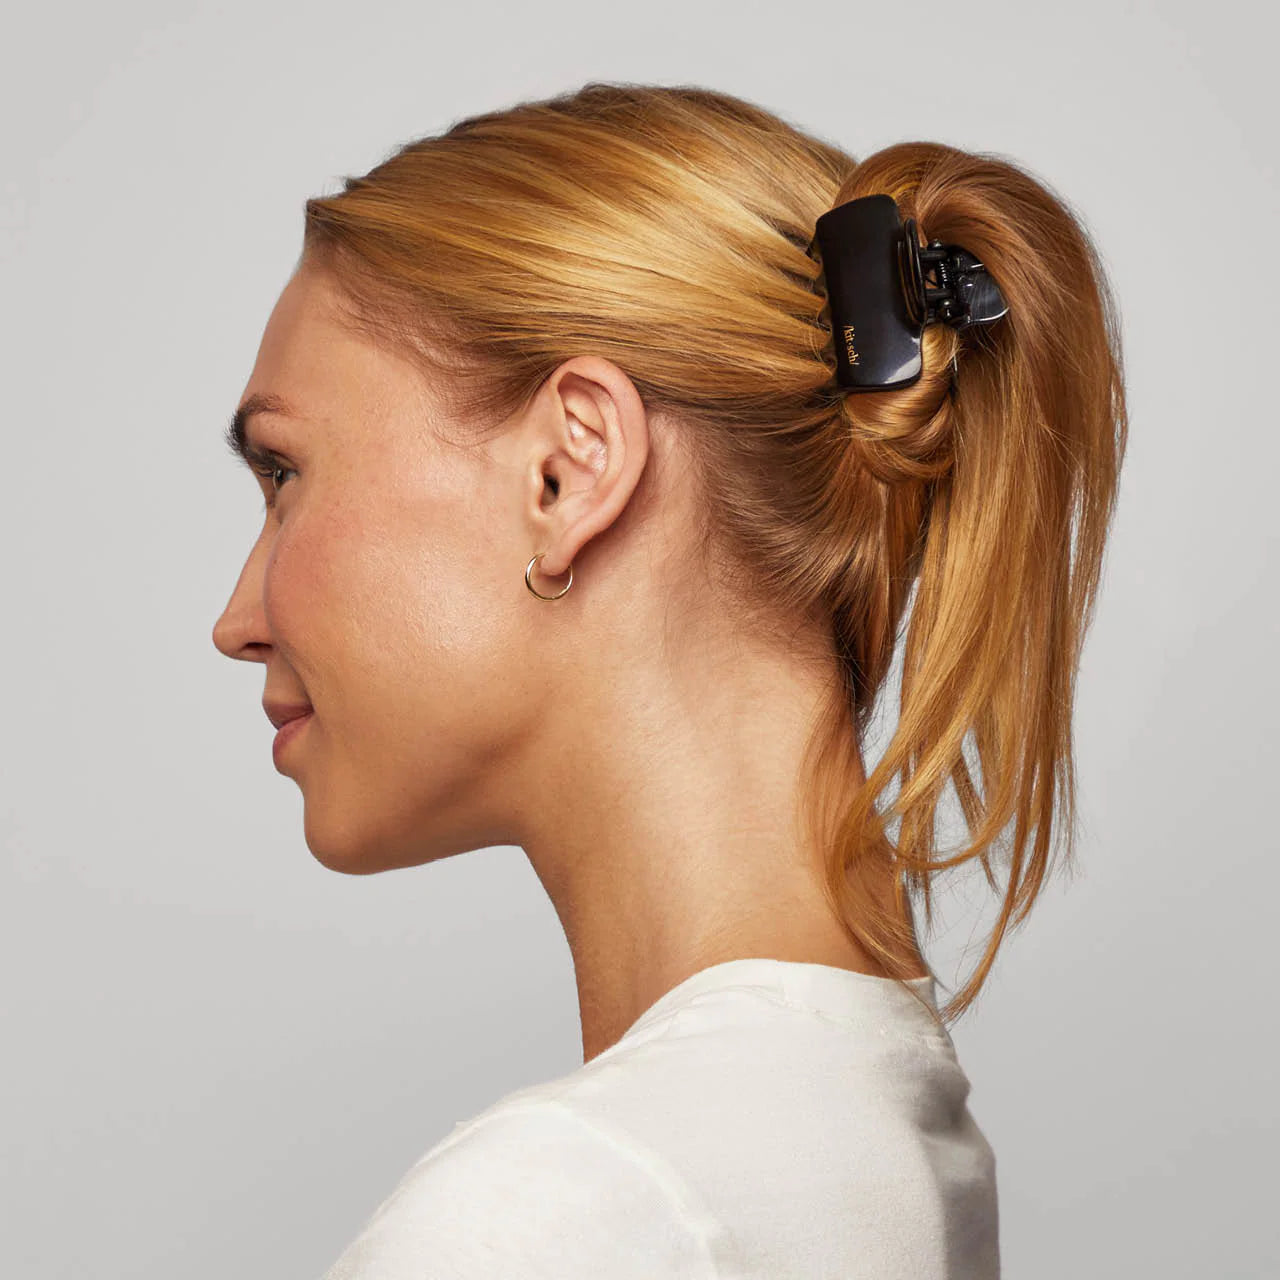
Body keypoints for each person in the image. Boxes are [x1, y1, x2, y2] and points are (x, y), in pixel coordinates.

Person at [211, 81, 1127, 1278]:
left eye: (284, 475)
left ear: (568, 469)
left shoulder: (564, 1212)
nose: (237, 621)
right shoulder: (880, 1145)